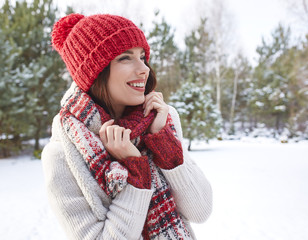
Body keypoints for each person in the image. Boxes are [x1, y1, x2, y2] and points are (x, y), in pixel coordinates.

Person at [42, 13, 212, 240]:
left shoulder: (161, 120)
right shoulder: (63, 154)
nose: (144, 69)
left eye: (142, 57)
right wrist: (136, 175)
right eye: (125, 58)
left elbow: (200, 210)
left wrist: (164, 142)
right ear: (95, 72)